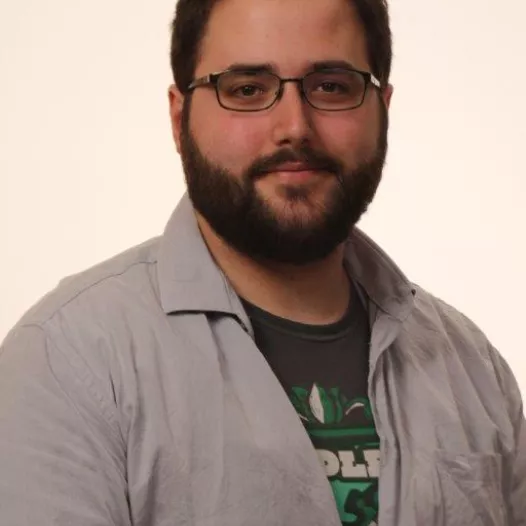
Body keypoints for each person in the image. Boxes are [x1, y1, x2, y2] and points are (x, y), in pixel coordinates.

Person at [0, 0, 524, 524]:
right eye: (247, 89)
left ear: (383, 108)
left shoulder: (474, 370)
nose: (294, 127)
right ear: (179, 118)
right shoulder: (68, 363)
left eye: (332, 86)